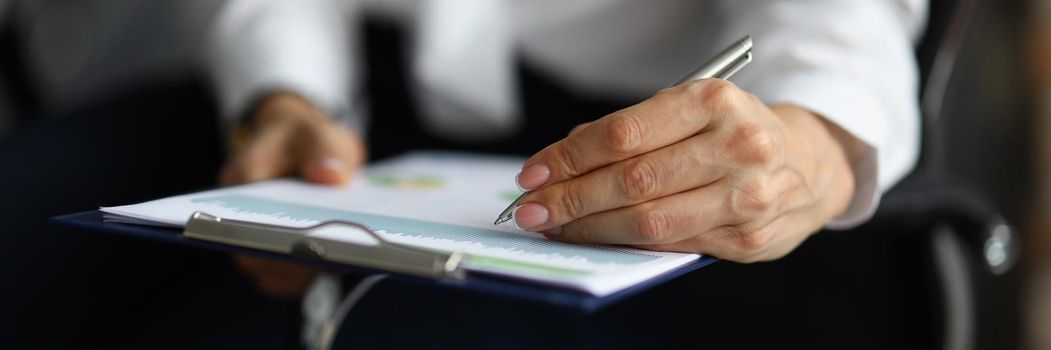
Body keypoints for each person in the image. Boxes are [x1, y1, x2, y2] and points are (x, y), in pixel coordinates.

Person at [207, 0, 926, 347]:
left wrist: (811, 147)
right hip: (336, 81)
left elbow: (845, 31)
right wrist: (282, 90)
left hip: (648, 146)